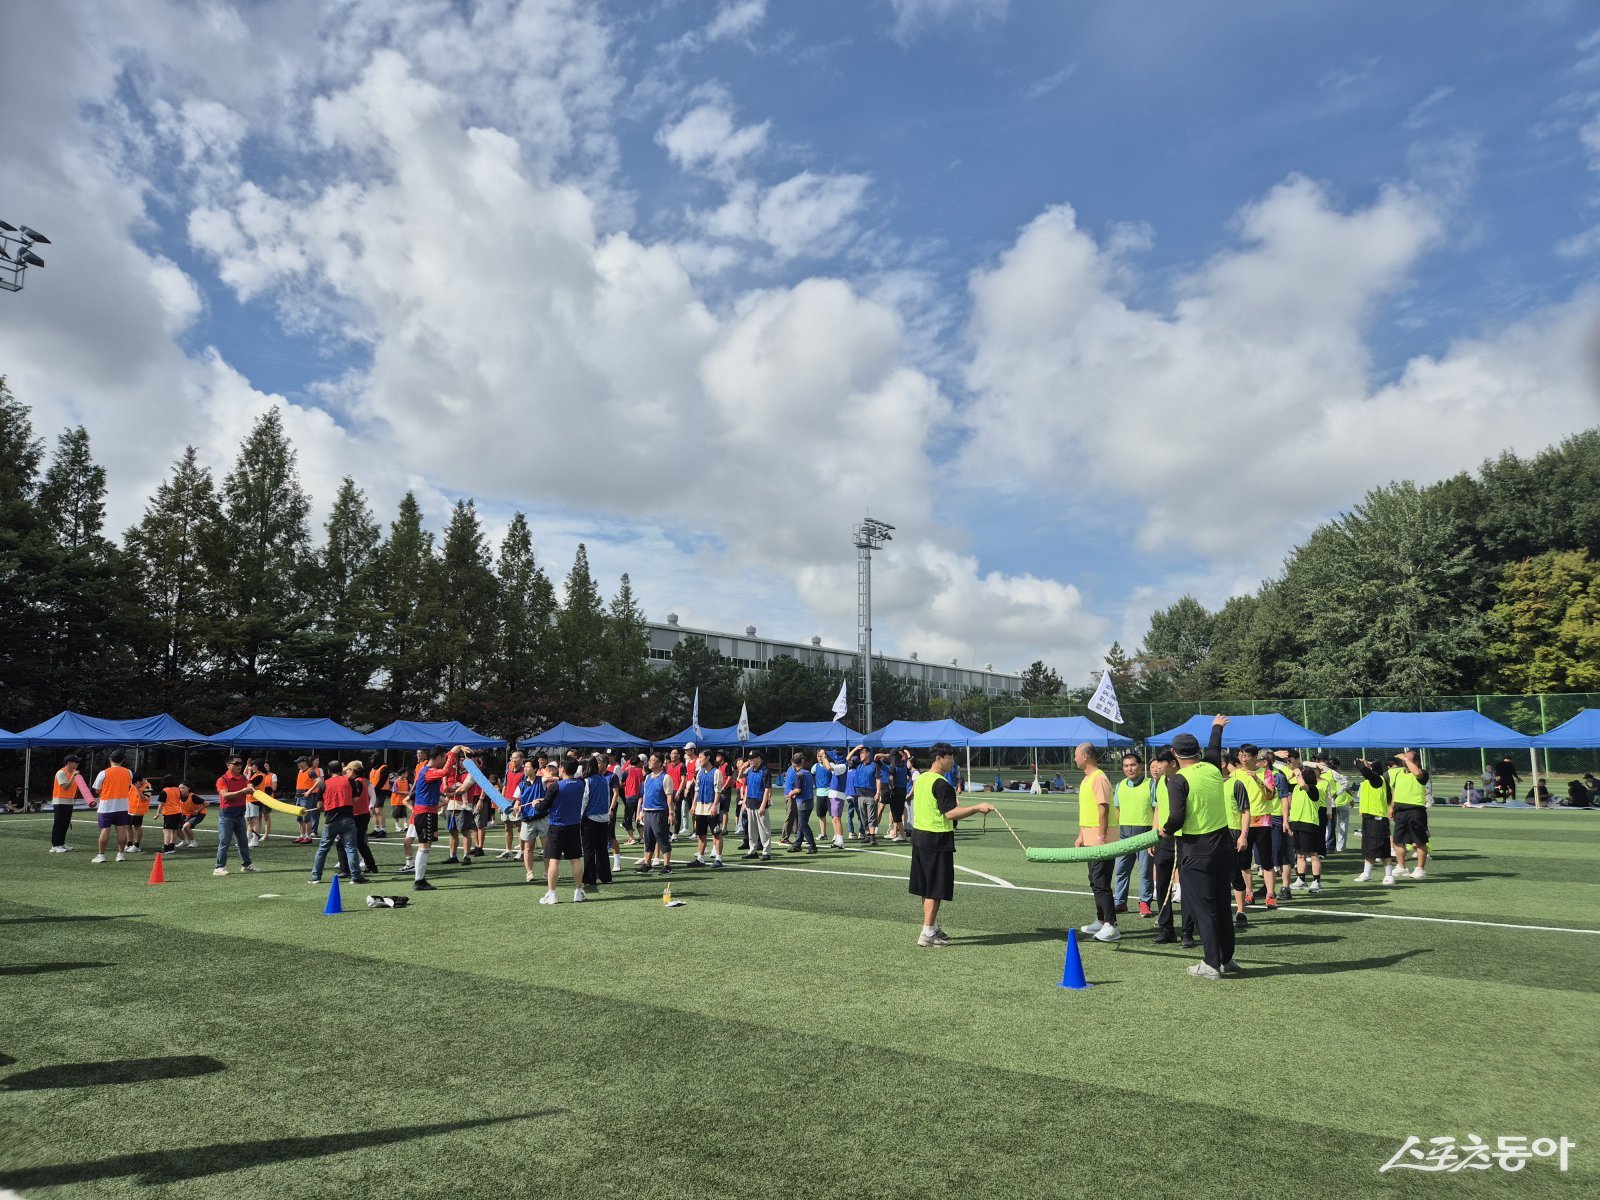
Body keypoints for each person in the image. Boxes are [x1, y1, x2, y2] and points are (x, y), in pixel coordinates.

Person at [1156, 719, 1237, 979]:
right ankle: (1226, 959)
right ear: (1198, 752)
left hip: (1196, 850)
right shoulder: (1213, 768)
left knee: (1204, 909)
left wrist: (1165, 830)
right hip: (1223, 846)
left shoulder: (1178, 780)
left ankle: (1211, 964)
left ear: (1174, 754)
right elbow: (1215, 747)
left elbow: (1177, 818)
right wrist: (1217, 726)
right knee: (1223, 904)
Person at [908, 743, 995, 947]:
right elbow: (951, 813)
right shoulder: (941, 784)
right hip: (936, 840)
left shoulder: (921, 779)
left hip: (920, 838)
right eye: (950, 758)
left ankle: (931, 926)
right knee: (935, 889)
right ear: (939, 758)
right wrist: (977, 808)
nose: (952, 761)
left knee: (926, 887)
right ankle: (927, 933)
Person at [1074, 742, 1119, 943]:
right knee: (1094, 880)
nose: (1074, 759)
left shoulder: (1099, 778)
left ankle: (1111, 925)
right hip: (1090, 840)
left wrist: (1101, 837)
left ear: (1085, 756)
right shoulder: (1086, 780)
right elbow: (1087, 812)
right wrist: (1081, 835)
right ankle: (1101, 920)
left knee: (1101, 882)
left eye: (1076, 755)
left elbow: (1103, 809)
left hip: (1103, 841)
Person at [1147, 754, 1193, 947]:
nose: (1157, 767)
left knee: (1188, 887)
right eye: (1156, 763)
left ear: (1172, 763)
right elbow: (1158, 809)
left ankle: (1187, 932)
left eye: (1160, 763)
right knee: (1162, 885)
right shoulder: (1159, 783)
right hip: (1164, 839)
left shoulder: (1185, 779)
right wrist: (1153, 834)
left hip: (1185, 838)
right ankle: (1166, 929)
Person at [408, 745, 461, 892]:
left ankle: (420, 879)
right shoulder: (429, 771)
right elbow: (446, 771)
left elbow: (433, 789)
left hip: (426, 812)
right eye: (444, 757)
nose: (445, 760)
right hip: (425, 813)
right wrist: (452, 753)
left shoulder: (425, 770)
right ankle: (419, 880)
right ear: (439, 757)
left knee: (426, 846)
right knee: (424, 846)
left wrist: (447, 792)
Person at [1111, 752, 1156, 918]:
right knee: (1121, 870)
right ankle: (1120, 902)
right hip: (1124, 836)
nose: (1129, 769)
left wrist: (1153, 836)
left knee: (1145, 872)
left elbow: (1155, 810)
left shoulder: (1150, 784)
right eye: (1125, 766)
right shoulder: (1120, 785)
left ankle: (1144, 902)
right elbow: (1117, 810)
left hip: (1145, 836)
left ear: (1140, 766)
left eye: (1132, 765)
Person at [311, 760, 367, 885]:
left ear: (328, 771)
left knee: (323, 849)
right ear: (341, 770)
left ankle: (316, 877)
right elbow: (355, 800)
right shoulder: (350, 781)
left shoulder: (323, 785)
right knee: (351, 848)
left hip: (330, 820)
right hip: (348, 818)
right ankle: (355, 877)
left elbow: (320, 806)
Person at [213, 755, 259, 876]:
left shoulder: (243, 777)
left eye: (240, 763)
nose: (239, 765)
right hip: (227, 815)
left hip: (240, 814)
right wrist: (242, 791)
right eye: (236, 763)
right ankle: (219, 867)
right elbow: (225, 795)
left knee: (243, 841)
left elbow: (249, 785)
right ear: (228, 765)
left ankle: (246, 865)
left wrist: (250, 786)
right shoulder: (222, 779)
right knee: (224, 842)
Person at [1351, 758, 1395, 885]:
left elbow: (1365, 771)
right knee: (1368, 848)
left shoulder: (1377, 779)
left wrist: (1358, 762)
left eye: (1370, 765)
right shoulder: (1369, 781)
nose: (1367, 767)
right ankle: (1367, 873)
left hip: (1378, 818)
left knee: (1382, 848)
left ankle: (1389, 875)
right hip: (1368, 818)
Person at [1389, 750, 1431, 880]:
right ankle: (1401, 867)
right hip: (1400, 811)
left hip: (1416, 811)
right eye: (1403, 759)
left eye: (1407, 759)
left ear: (1416, 761)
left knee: (1419, 841)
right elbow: (1396, 791)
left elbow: (1417, 773)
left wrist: (1407, 760)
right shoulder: (1399, 774)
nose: (1404, 761)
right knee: (1398, 840)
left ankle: (1420, 869)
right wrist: (1392, 806)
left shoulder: (1422, 773)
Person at [1285, 762, 1325, 895]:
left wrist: (1297, 772)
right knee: (1300, 854)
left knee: (1313, 854)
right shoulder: (1296, 788)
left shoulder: (1314, 789)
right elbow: (1284, 783)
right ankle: (1301, 879)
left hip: (1309, 824)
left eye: (1300, 776)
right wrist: (1292, 772)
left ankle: (1316, 881)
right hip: (1297, 823)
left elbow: (1303, 785)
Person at [91, 750, 135, 864]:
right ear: (123, 760)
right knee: (121, 829)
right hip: (123, 804)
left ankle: (101, 855)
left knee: (105, 830)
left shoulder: (103, 773)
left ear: (110, 759)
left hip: (106, 805)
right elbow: (129, 786)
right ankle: (121, 854)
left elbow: (97, 790)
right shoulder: (128, 772)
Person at [635, 752, 674, 875]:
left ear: (660, 763)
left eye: (653, 760)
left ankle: (667, 865)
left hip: (660, 812)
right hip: (647, 812)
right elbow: (645, 796)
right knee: (648, 838)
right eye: (650, 760)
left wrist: (671, 813)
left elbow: (669, 797)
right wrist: (642, 810)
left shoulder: (666, 777)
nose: (650, 762)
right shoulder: (647, 777)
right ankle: (647, 864)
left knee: (661, 837)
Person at [581, 755, 615, 893]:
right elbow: (607, 798)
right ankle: (605, 876)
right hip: (603, 818)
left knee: (589, 849)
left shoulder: (587, 781)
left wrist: (579, 817)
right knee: (601, 849)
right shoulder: (603, 779)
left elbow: (584, 800)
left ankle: (589, 877)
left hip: (590, 818)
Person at [690, 749, 725, 868]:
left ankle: (718, 858)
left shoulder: (716, 773)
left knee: (716, 833)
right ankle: (700, 858)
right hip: (700, 806)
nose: (699, 760)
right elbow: (697, 790)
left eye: (701, 757)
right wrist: (694, 805)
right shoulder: (699, 773)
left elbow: (718, 791)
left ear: (708, 757)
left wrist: (715, 805)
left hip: (711, 806)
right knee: (701, 834)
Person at [741, 753, 773, 860]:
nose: (750, 760)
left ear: (759, 759)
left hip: (760, 803)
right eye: (749, 759)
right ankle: (752, 849)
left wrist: (763, 805)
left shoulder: (765, 771)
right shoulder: (749, 771)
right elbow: (746, 786)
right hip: (750, 802)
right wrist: (744, 802)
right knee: (752, 829)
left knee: (764, 829)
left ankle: (766, 851)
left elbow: (767, 789)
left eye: (752, 758)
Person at [785, 751, 818, 854]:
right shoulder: (807, 772)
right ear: (802, 762)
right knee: (800, 824)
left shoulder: (798, 774)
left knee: (803, 825)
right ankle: (797, 844)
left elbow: (798, 790)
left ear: (793, 763)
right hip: (810, 801)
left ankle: (812, 846)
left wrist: (790, 793)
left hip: (802, 801)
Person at [48, 755, 81, 853]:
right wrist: (73, 776)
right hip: (60, 801)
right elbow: (65, 787)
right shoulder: (61, 772)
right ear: (69, 763)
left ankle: (61, 843)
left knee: (65, 823)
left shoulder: (72, 773)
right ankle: (55, 845)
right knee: (59, 823)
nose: (77, 764)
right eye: (75, 762)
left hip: (69, 801)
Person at [497, 751, 525, 859]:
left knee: (519, 826)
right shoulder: (508, 771)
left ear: (522, 759)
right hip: (506, 801)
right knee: (507, 826)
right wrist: (500, 802)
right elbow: (505, 786)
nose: (513, 760)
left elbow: (524, 790)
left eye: (516, 758)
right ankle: (508, 850)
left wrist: (519, 804)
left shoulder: (524, 773)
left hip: (516, 802)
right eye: (512, 758)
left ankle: (522, 851)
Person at [159, 781, 192, 852]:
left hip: (169, 812)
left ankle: (166, 848)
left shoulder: (164, 791)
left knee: (166, 830)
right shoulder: (177, 790)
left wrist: (157, 813)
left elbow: (161, 804)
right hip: (178, 812)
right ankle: (172, 848)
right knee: (174, 830)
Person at [127, 772, 152, 852]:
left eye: (135, 782)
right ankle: (129, 844)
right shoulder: (133, 784)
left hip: (138, 811)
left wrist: (138, 789)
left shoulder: (148, 786)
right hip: (129, 809)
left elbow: (144, 799)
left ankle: (137, 846)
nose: (133, 784)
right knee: (127, 827)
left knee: (137, 827)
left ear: (140, 781)